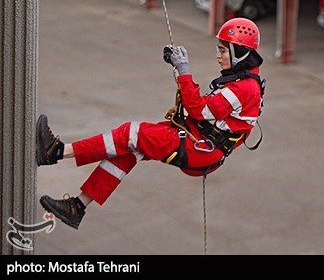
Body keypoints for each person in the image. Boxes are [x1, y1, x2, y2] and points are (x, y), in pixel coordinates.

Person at [36, 17, 266, 230]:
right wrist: (179, 71)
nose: (218, 55)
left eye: (223, 50)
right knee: (129, 149)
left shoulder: (244, 88)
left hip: (200, 148)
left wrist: (184, 71)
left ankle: (56, 152)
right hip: (201, 143)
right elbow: (203, 109)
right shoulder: (242, 81)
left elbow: (198, 109)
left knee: (131, 134)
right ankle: (77, 207)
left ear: (240, 53)